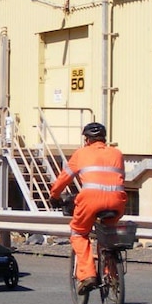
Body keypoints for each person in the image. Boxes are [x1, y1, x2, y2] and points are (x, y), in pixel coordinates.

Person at [50, 122, 127, 294]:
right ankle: (110, 273)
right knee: (107, 234)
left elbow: (64, 178)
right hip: (117, 200)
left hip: (90, 200)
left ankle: (88, 274)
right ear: (104, 138)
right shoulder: (117, 153)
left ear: (87, 139)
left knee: (78, 233)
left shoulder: (81, 154)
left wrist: (54, 196)